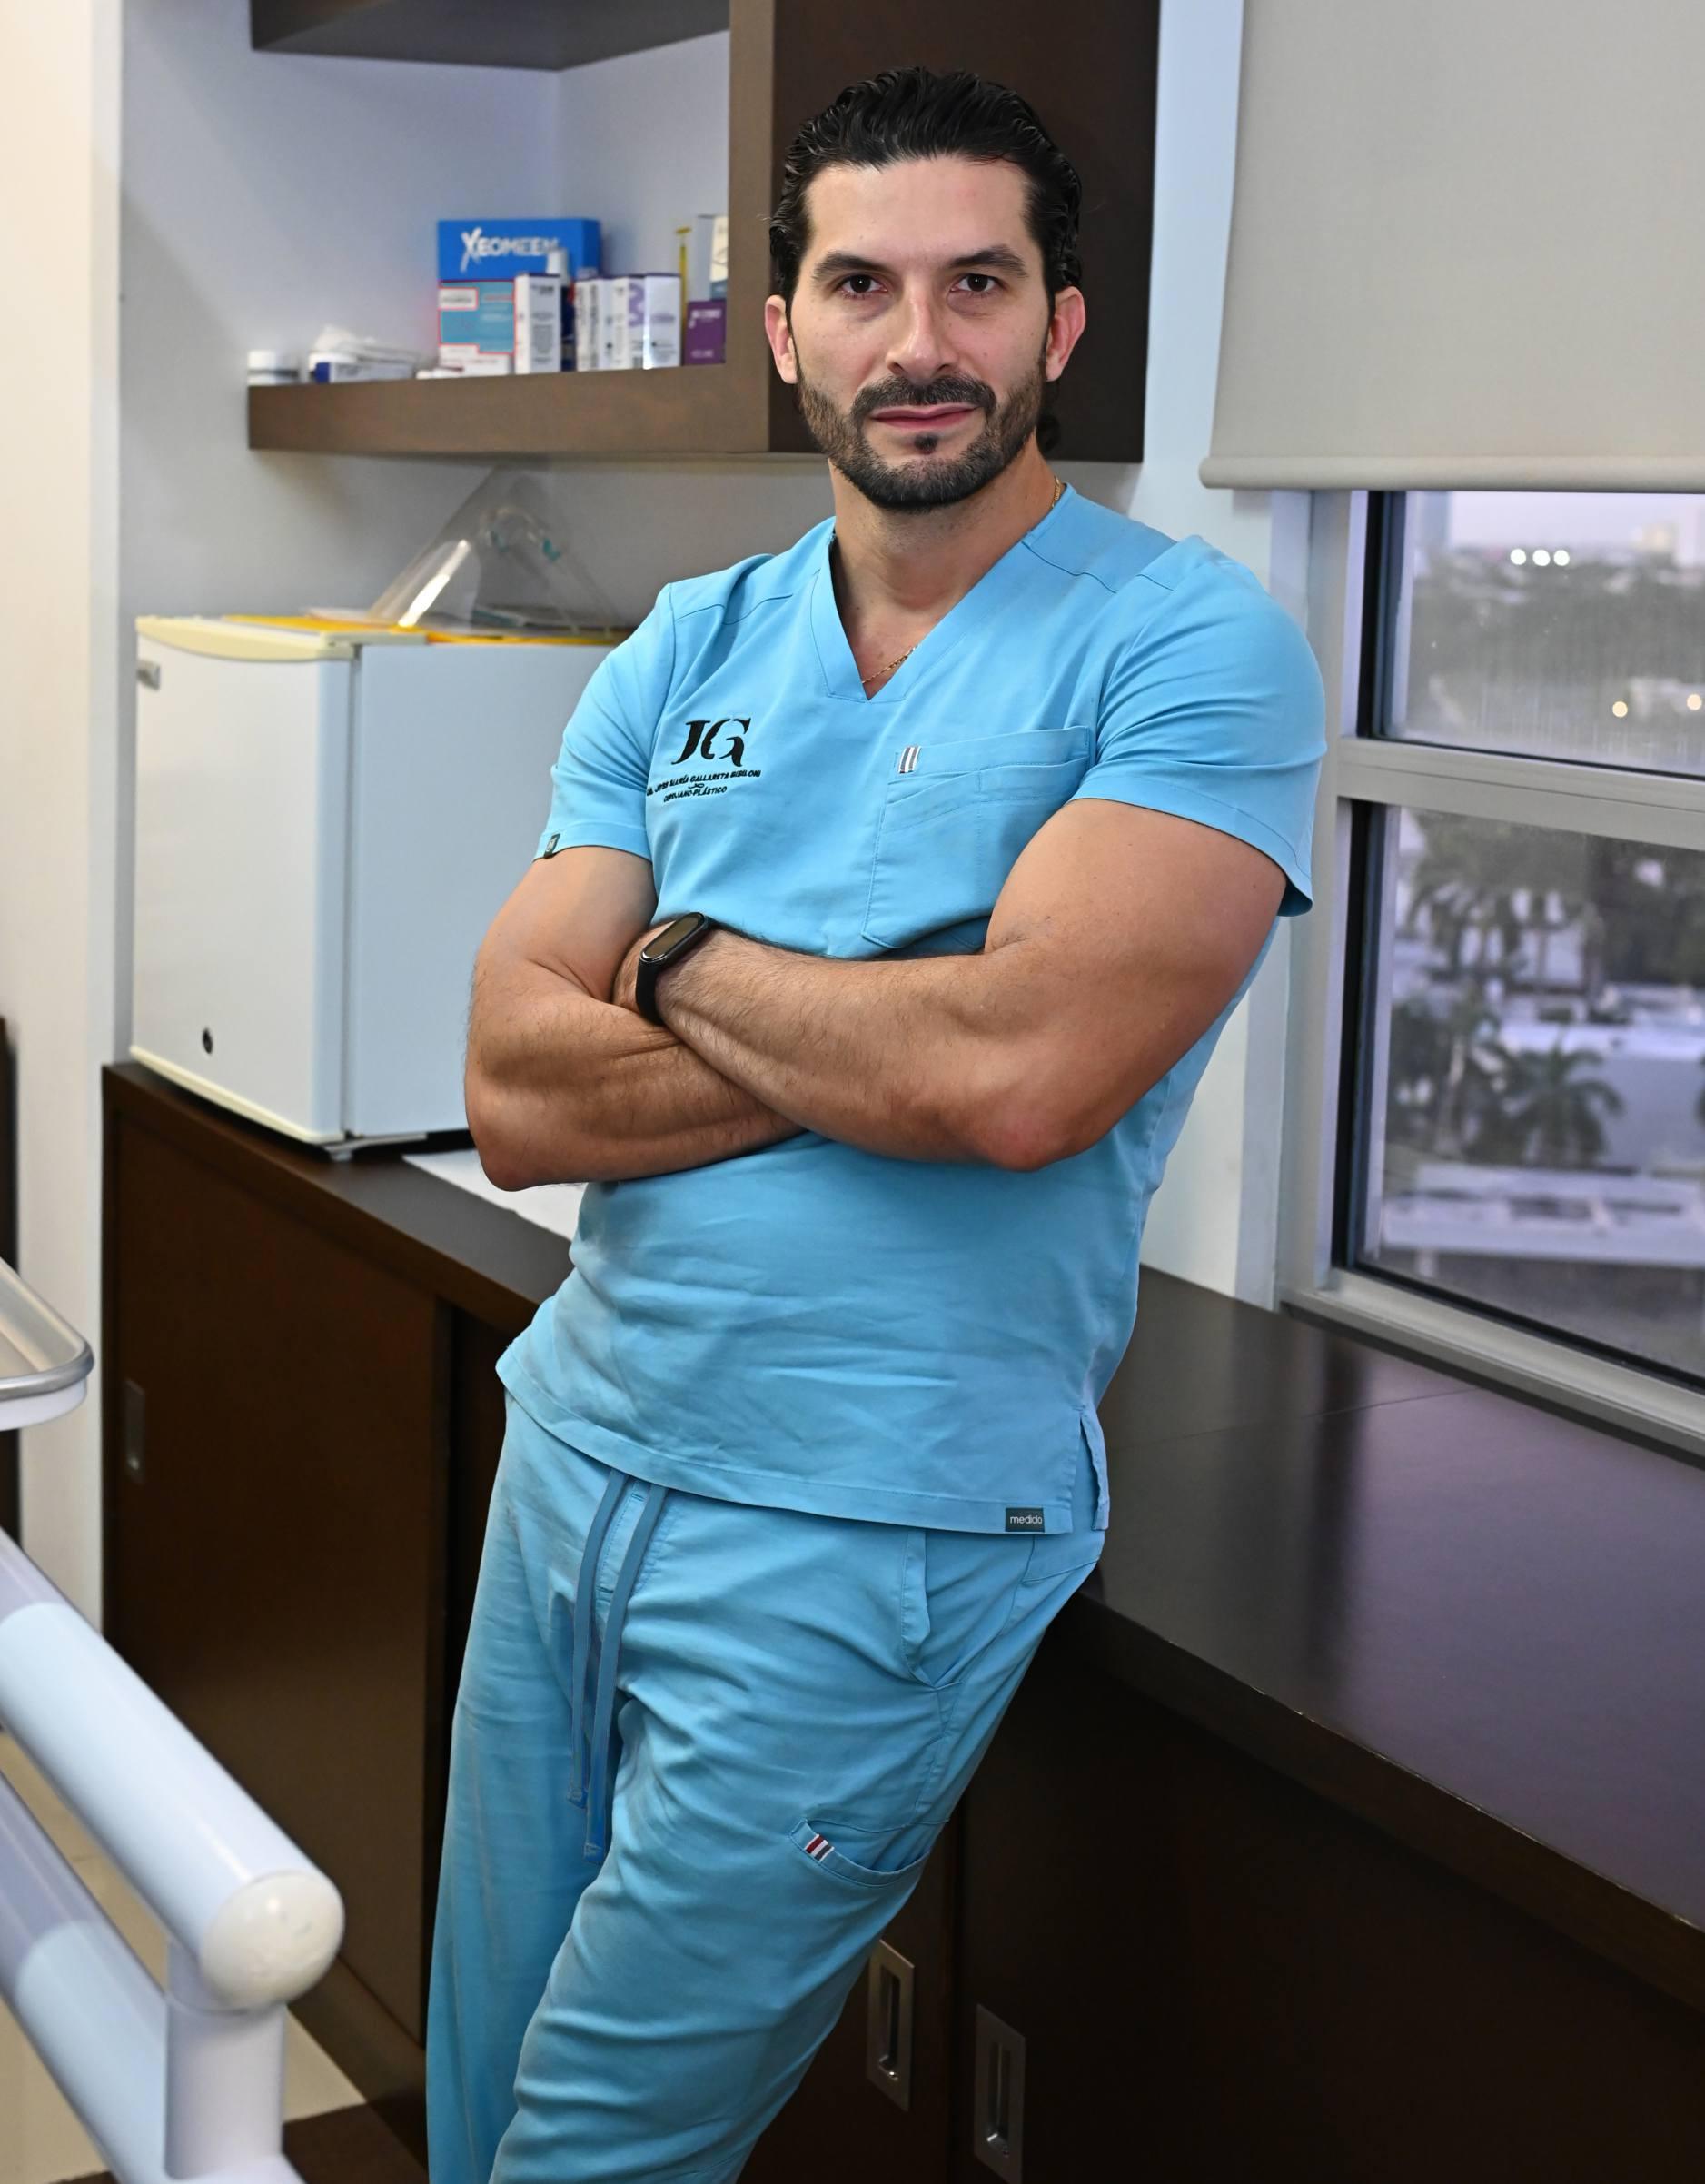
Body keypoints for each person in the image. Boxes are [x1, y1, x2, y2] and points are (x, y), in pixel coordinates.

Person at [428, 65, 1325, 2184]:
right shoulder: (689, 642)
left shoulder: (1190, 645)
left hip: (869, 1522)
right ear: (785, 326)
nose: (919, 342)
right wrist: (889, 1015)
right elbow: (513, 1094)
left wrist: (672, 953)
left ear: (1058, 324)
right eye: (861, 284)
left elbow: (1016, 1080)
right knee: (478, 2094)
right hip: (574, 1453)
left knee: (592, 2147)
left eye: (976, 284)